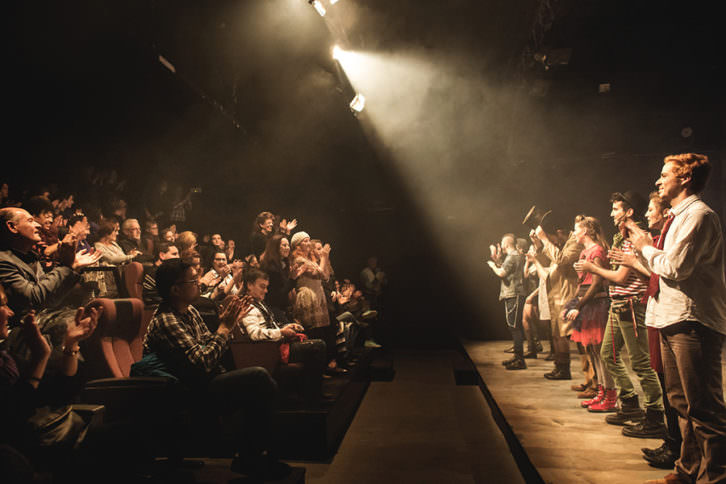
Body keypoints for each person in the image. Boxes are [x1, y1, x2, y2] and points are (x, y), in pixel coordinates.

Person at [627, 154, 726, 484]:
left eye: (665, 174)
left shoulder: (699, 216)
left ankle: (713, 477)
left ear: (685, 179)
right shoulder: (676, 217)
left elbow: (675, 268)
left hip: (692, 322)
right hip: (671, 317)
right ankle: (687, 471)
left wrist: (644, 246)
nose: (658, 180)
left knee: (704, 408)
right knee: (682, 403)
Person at [143, 259, 288, 479]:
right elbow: (202, 361)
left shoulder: (189, 311)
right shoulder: (166, 320)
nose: (199, 283)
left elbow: (207, 344)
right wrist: (225, 328)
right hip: (184, 391)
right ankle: (251, 457)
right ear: (175, 289)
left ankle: (253, 456)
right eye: (192, 280)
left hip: (202, 381)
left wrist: (225, 328)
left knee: (262, 384)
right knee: (258, 377)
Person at [575, 191, 665, 432]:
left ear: (628, 212)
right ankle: (630, 403)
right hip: (619, 305)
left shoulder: (637, 238)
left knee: (641, 363)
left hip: (631, 306)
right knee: (607, 355)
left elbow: (620, 277)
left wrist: (592, 267)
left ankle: (655, 413)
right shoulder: (622, 238)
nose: (612, 214)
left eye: (616, 210)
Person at [612, 192, 680, 469]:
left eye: (652, 209)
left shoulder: (654, 238)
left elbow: (659, 272)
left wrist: (631, 261)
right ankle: (672, 442)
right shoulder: (651, 236)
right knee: (664, 381)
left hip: (666, 313)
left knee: (664, 380)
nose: (648, 214)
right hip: (655, 310)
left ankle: (659, 425)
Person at [239, 268, 327, 407]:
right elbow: (254, 334)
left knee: (311, 341)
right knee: (318, 345)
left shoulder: (259, 303)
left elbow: (270, 325)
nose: (266, 291)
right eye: (262, 287)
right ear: (249, 285)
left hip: (275, 346)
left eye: (266, 287)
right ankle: (312, 398)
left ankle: (307, 395)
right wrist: (281, 332)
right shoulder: (247, 306)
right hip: (267, 352)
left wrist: (288, 326)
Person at [0, 207, 101, 326]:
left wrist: (74, 267)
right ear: (12, 227)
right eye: (30, 221)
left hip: (43, 318)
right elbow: (34, 299)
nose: (38, 225)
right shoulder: (3, 261)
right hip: (23, 327)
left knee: (100, 312)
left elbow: (50, 300)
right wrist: (66, 267)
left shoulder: (30, 257)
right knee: (92, 320)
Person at [562, 216, 613, 408]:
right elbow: (582, 282)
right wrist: (574, 302)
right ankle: (600, 390)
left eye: (576, 229)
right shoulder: (585, 252)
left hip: (595, 305)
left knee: (600, 351)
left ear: (584, 231)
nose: (574, 233)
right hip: (586, 304)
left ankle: (609, 394)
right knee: (592, 351)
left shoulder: (597, 250)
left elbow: (597, 281)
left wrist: (579, 304)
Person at [530, 223, 583, 379]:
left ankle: (569, 371)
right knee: (557, 335)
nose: (552, 242)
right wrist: (538, 244)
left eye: (552, 237)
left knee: (568, 336)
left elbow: (561, 260)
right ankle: (560, 367)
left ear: (560, 232)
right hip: (557, 295)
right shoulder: (562, 245)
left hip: (568, 296)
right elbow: (549, 265)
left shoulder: (574, 243)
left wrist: (544, 240)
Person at [487, 233, 527, 370]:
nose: (501, 245)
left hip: (514, 293)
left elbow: (502, 273)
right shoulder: (514, 256)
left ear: (506, 244)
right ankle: (517, 357)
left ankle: (520, 359)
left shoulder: (512, 256)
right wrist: (497, 261)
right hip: (513, 293)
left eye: (502, 243)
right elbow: (506, 269)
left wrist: (493, 265)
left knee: (515, 327)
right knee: (513, 326)